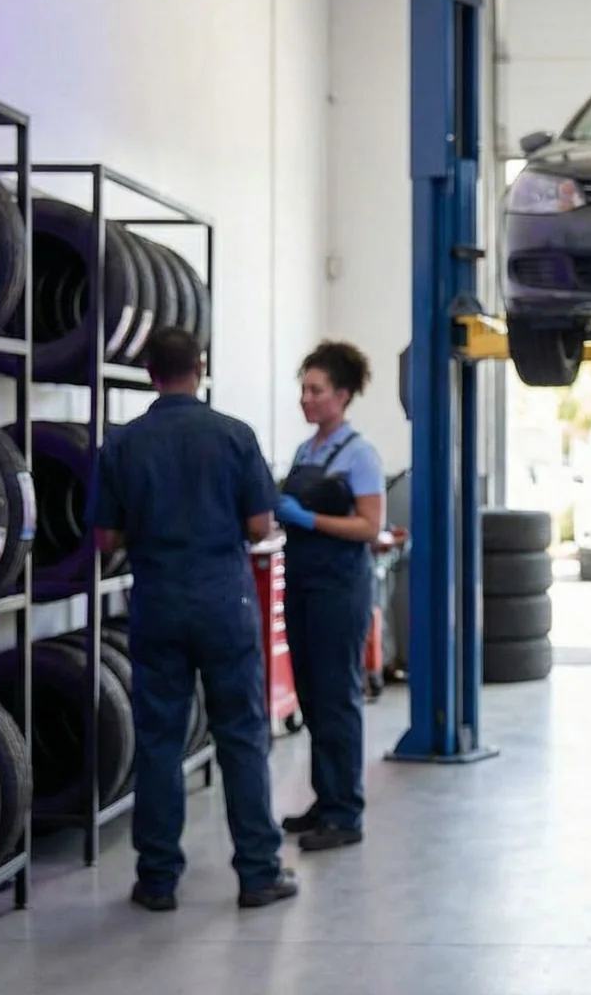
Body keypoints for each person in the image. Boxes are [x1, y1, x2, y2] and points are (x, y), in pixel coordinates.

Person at [86, 326, 299, 911]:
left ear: (150, 372)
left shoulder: (122, 444)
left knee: (159, 741)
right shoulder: (234, 436)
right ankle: (258, 873)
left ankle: (157, 880)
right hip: (223, 602)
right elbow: (260, 526)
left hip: (156, 602)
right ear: (199, 368)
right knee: (241, 736)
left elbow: (106, 537)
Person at [272, 340, 387, 852]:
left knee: (338, 699)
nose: (306, 399)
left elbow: (369, 527)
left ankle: (346, 814)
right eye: (303, 389)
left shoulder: (359, 454)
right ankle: (325, 798)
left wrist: (308, 519)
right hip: (301, 583)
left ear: (341, 395)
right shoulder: (306, 451)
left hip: (340, 589)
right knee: (313, 698)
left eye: (315, 390)